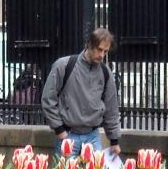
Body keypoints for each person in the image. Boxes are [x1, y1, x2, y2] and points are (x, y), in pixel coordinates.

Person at [41, 28, 121, 158]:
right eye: (99, 49)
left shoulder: (105, 73)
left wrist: (114, 140)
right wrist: (59, 130)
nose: (102, 55)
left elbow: (111, 108)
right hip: (68, 133)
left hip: (93, 135)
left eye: (105, 51)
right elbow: (48, 99)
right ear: (89, 45)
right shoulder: (64, 65)